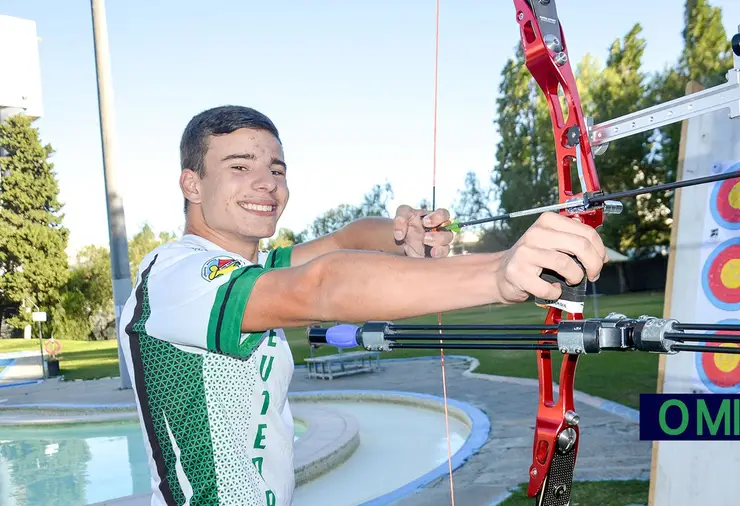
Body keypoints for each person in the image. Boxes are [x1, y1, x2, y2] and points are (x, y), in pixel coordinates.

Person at [118, 105, 609, 506]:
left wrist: (402, 234)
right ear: (192, 185)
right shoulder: (176, 275)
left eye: (276, 169)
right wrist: (497, 274)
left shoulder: (254, 266)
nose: (266, 183)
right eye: (239, 167)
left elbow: (346, 241)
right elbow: (321, 286)